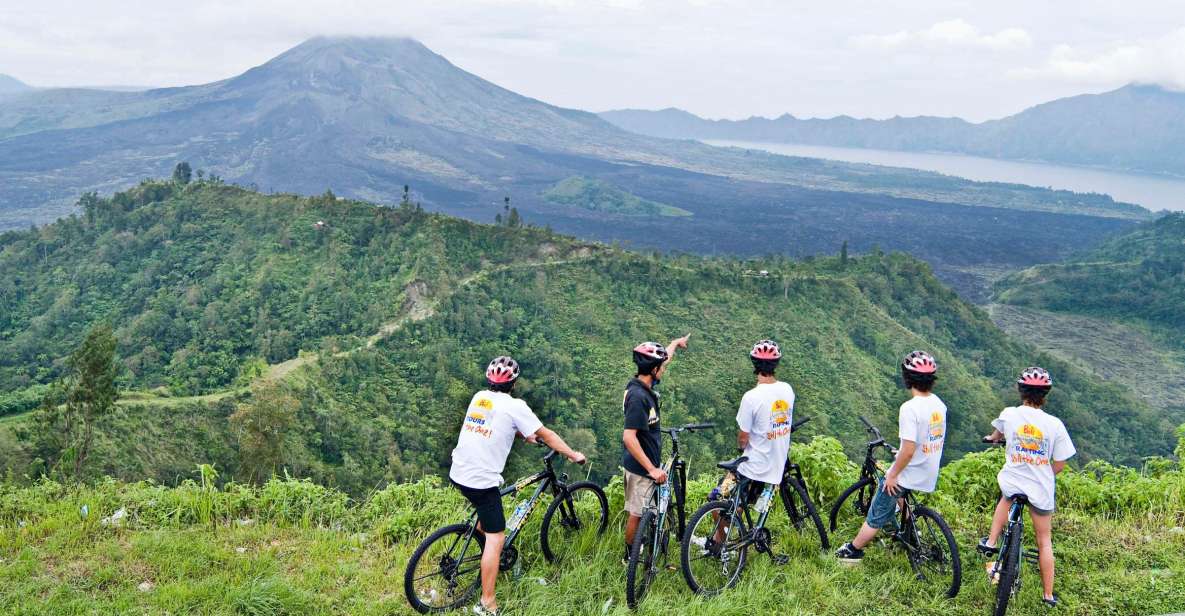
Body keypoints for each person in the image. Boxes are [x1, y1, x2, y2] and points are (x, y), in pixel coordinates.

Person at [449, 356, 586, 616]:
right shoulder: (516, 405)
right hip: (481, 479)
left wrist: (524, 434)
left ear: (490, 380)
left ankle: (479, 551)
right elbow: (549, 435)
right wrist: (572, 454)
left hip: (459, 471)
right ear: (513, 383)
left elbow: (491, 422)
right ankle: (487, 603)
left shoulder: (479, 397)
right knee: (496, 537)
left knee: (485, 522)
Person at [835, 351, 947, 563]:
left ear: (907, 378)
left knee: (877, 510)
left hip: (910, 471)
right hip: (928, 469)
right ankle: (911, 534)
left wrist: (893, 474)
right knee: (901, 495)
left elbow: (908, 450)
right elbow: (928, 438)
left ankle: (853, 551)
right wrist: (905, 453)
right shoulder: (939, 404)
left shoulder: (910, 408)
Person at [978, 367, 1075, 608]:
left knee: (1006, 497)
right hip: (1040, 487)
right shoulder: (1054, 424)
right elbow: (1060, 464)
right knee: (1044, 540)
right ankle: (1048, 596)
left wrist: (992, 440)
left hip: (1013, 480)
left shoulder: (1010, 414)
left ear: (1021, 391)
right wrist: (1044, 474)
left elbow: (995, 435)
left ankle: (990, 543)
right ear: (1045, 395)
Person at [703, 340, 796, 562]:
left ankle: (722, 542)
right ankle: (731, 537)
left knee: (715, 500)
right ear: (776, 364)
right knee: (742, 501)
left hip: (754, 466)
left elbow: (743, 438)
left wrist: (740, 448)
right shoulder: (787, 390)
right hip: (777, 465)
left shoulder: (751, 397)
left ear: (754, 364)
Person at [621, 335, 690, 563]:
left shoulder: (645, 383)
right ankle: (629, 556)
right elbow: (629, 437)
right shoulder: (638, 397)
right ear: (653, 369)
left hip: (645, 463)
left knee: (640, 511)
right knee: (636, 514)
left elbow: (665, 359)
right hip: (641, 468)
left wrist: (675, 344)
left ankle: (639, 546)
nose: (664, 369)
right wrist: (651, 469)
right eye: (661, 367)